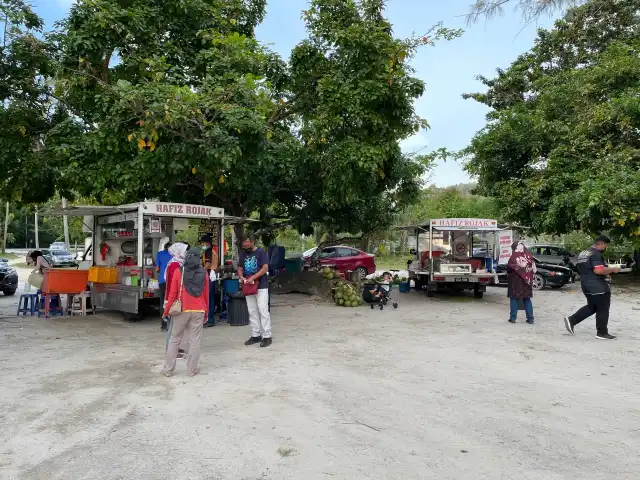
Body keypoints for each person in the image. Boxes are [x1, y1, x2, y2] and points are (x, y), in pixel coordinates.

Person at [161, 248, 209, 377]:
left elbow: (173, 294)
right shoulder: (204, 273)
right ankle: (191, 370)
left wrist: (166, 311)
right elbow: (206, 295)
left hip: (182, 310)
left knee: (175, 339)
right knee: (195, 341)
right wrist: (206, 312)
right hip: (198, 310)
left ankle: (168, 370)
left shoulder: (179, 272)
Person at [564, 235, 621, 340]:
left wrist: (606, 274)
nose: (605, 248)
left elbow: (588, 270)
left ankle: (572, 320)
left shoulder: (583, 253)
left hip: (586, 285)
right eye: (606, 246)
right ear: (602, 244)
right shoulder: (595, 254)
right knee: (603, 308)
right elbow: (598, 270)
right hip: (598, 286)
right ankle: (602, 333)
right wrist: (613, 269)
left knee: (592, 307)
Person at [238, 234, 272, 347]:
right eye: (244, 245)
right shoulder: (243, 253)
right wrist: (242, 277)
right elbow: (240, 267)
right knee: (252, 311)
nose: (246, 246)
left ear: (253, 242)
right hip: (248, 285)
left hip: (261, 285)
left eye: (247, 244)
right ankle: (255, 335)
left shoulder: (261, 252)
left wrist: (253, 277)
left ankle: (267, 336)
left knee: (263, 310)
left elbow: (265, 268)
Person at [164, 243, 189, 357]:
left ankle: (175, 348)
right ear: (178, 252)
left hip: (173, 297)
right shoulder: (175, 265)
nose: (186, 253)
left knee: (175, 326)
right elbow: (175, 284)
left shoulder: (176, 263)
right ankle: (170, 350)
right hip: (173, 298)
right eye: (184, 251)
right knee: (173, 327)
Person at [506, 241, 536, 324]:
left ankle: (513, 318)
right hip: (527, 282)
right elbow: (534, 269)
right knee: (527, 299)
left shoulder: (513, 257)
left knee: (514, 298)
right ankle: (530, 319)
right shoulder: (529, 256)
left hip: (515, 282)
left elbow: (509, 269)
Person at [200, 234, 219, 328]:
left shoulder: (208, 251)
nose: (202, 244)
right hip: (211, 276)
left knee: (208, 298)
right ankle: (209, 319)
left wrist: (200, 273)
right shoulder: (213, 251)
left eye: (203, 243)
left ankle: (210, 319)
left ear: (207, 243)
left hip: (208, 276)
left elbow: (207, 264)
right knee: (210, 298)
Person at [156, 239, 172, 331]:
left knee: (163, 302)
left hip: (162, 281)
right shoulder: (175, 255)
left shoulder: (159, 254)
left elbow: (157, 269)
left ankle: (164, 325)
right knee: (173, 301)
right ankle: (173, 324)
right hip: (172, 281)